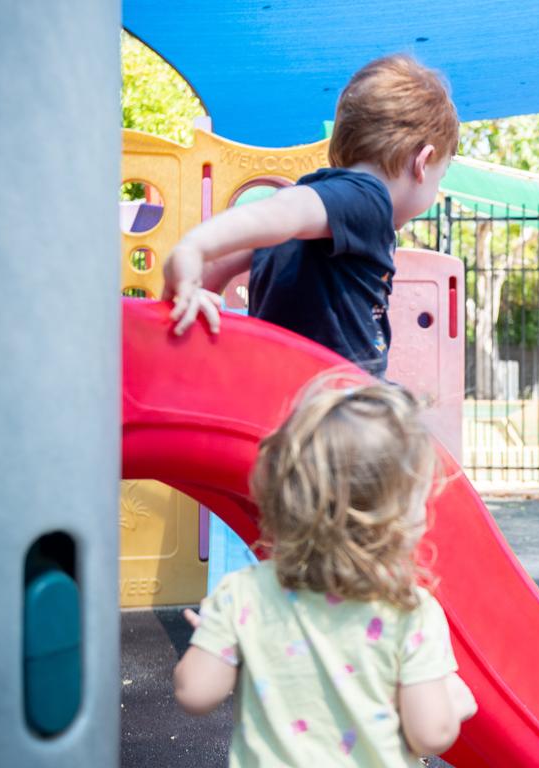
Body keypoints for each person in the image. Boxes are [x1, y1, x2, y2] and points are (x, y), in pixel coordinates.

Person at [173, 378, 478, 765]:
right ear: (393, 518)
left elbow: (196, 692)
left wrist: (215, 642)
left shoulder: (243, 594)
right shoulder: (408, 610)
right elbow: (431, 732)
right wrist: (456, 701)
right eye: (419, 499)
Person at [161, 54, 459, 377]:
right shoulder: (368, 200)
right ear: (423, 162)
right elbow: (287, 210)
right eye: (439, 177)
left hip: (281, 399)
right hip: (334, 408)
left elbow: (222, 263)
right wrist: (194, 246)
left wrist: (194, 303)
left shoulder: (318, 207)